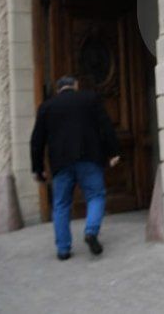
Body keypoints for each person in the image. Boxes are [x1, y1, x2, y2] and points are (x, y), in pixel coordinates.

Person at [29, 75, 121, 261]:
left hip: (61, 163)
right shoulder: (90, 98)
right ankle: (91, 231)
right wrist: (113, 152)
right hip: (89, 158)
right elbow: (106, 126)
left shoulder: (47, 107)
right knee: (95, 196)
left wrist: (38, 169)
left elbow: (37, 141)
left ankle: (63, 250)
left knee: (61, 204)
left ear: (58, 89)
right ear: (76, 86)